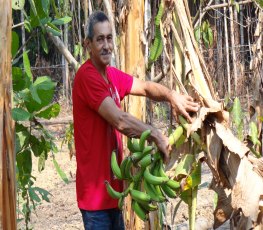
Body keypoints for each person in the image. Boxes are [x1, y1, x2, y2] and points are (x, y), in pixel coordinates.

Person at [72, 10, 199, 230]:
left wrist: (172, 96)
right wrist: (156, 135)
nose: (106, 45)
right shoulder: (87, 76)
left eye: (109, 38)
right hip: (95, 200)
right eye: (100, 39)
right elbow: (120, 120)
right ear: (88, 44)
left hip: (115, 193)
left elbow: (145, 87)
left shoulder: (111, 75)